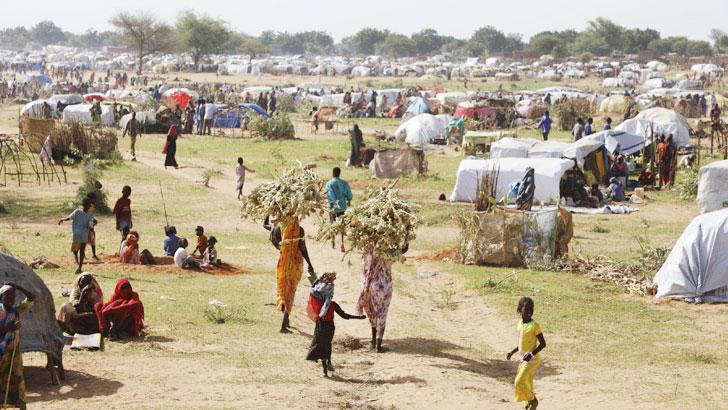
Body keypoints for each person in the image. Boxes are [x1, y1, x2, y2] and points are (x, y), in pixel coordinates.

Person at [305, 272, 365, 377]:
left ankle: (325, 370)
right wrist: (359, 317)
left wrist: (313, 275)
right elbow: (345, 316)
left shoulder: (317, 302)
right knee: (327, 345)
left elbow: (313, 285)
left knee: (320, 346)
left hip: (320, 327)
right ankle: (328, 363)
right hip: (330, 327)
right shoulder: (332, 304)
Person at [264, 216, 315, 333]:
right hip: (295, 264)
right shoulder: (299, 230)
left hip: (282, 263)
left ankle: (286, 321)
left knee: (283, 290)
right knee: (290, 292)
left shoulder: (278, 227)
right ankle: (283, 324)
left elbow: (265, 225)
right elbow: (303, 248)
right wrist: (309, 264)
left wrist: (267, 212)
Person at [0, 283, 36, 410]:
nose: (11, 299)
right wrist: (8, 328)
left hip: (13, 352)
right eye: (7, 297)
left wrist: (18, 287)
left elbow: (32, 298)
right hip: (1, 353)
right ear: (1, 297)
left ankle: (19, 405)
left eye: (13, 297)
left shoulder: (16, 310)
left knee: (17, 377)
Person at [507, 297, 546, 410]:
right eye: (526, 309)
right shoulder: (520, 324)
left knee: (519, 381)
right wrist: (512, 352)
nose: (529, 311)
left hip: (532, 360)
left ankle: (533, 401)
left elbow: (543, 344)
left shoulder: (535, 325)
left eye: (531, 309)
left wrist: (531, 355)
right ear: (520, 310)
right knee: (527, 383)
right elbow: (521, 343)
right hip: (523, 359)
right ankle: (528, 404)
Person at [58, 197, 95, 273]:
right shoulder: (90, 215)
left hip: (77, 234)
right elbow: (91, 227)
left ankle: (77, 265)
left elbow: (69, 218)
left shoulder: (77, 211)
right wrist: (93, 229)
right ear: (89, 206)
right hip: (84, 234)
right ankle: (80, 267)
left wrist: (62, 219)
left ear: (83, 205)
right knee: (82, 251)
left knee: (75, 252)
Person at [325, 167, 352, 252]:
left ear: (333, 173)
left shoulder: (329, 184)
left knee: (332, 224)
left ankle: (333, 240)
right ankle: (342, 244)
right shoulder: (344, 183)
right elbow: (348, 193)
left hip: (332, 208)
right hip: (342, 207)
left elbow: (327, 195)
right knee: (342, 225)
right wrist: (349, 200)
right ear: (339, 173)